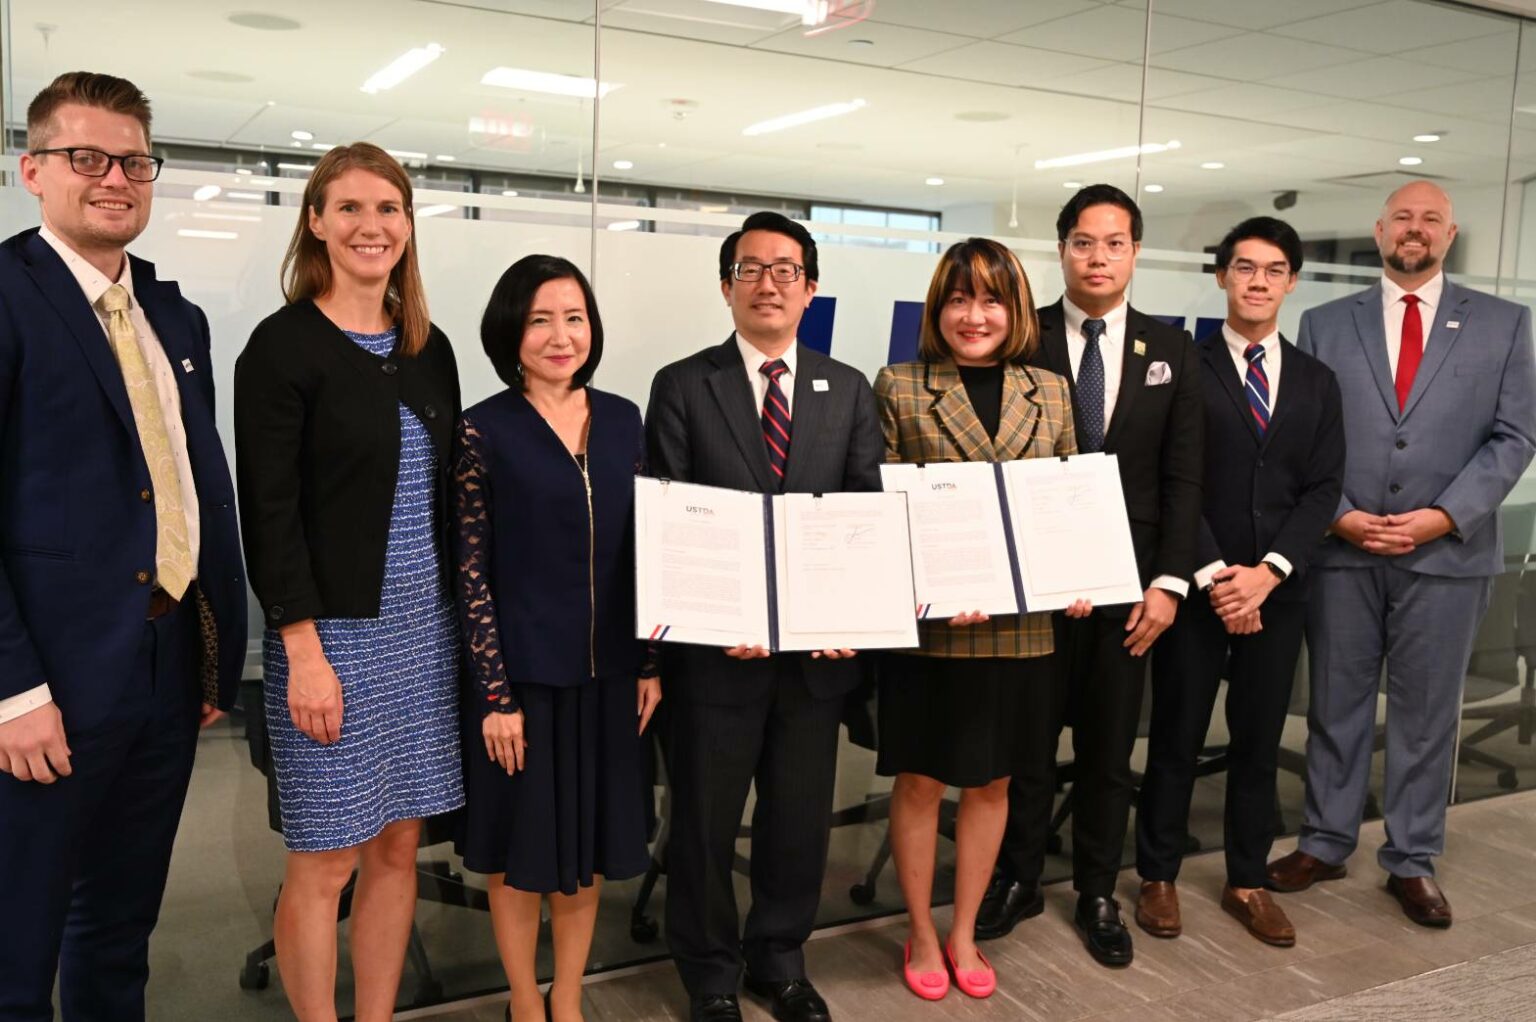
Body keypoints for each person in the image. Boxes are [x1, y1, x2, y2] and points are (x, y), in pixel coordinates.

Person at [0, 70, 248, 1022]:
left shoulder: (174, 316)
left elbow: (189, 483)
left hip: (166, 661)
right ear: (33, 171)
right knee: (17, 944)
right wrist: (14, 692)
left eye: (135, 162)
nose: (115, 178)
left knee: (120, 928)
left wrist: (209, 658)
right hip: (48, 688)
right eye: (87, 158)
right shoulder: (8, 297)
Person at [234, 142, 464, 1022]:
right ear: (317, 223)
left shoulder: (428, 348)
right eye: (351, 208)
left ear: (408, 226)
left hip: (424, 635)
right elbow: (270, 514)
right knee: (325, 860)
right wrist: (302, 653)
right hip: (331, 642)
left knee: (399, 848)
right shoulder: (283, 347)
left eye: (389, 209)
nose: (373, 226)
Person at [1267, 182, 1536, 927]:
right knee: (1335, 704)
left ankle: (1412, 858)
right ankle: (1325, 841)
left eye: (1431, 220)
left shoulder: (1505, 323)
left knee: (1426, 715)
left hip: (1447, 555)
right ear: (1380, 230)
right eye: (1403, 219)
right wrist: (1342, 517)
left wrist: (1442, 517)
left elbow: (1516, 436)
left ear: (1449, 234)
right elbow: (1303, 434)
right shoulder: (1324, 323)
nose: (1415, 230)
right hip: (1344, 550)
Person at [645, 211, 883, 1022]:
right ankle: (710, 974)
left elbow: (860, 513)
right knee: (704, 826)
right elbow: (671, 521)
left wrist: (848, 615)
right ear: (726, 287)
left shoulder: (847, 388)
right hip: (718, 659)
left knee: (796, 822)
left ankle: (779, 961)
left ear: (811, 289)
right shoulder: (684, 384)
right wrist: (719, 619)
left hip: (813, 666)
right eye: (751, 269)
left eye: (787, 270)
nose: (769, 284)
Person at [978, 183, 1204, 968]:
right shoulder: (1021, 335)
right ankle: (1018, 878)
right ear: (1062, 250)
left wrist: (1170, 583)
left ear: (1135, 251)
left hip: (1128, 591)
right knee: (1028, 749)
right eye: (1083, 242)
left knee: (1109, 755)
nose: (1097, 257)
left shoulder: (1172, 350)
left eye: (1114, 243)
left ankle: (1099, 890)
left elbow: (1184, 478)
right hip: (1035, 587)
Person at [873, 238, 1087, 1001]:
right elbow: (880, 509)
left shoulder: (1050, 391)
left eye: (992, 299)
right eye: (959, 299)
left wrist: (1080, 574)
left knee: (995, 782)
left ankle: (964, 930)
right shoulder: (900, 385)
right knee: (922, 780)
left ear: (1015, 309)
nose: (975, 315)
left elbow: (1069, 502)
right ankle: (921, 930)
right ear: (938, 309)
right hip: (934, 630)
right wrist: (929, 583)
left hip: (1022, 627)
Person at [453, 254, 661, 1022]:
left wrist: (649, 663)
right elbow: (469, 571)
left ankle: (568, 995)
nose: (560, 335)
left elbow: (646, 550)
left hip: (611, 679)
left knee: (589, 851)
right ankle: (522, 998)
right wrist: (495, 696)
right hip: (524, 685)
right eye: (540, 319)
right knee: (521, 853)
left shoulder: (624, 419)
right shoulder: (483, 429)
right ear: (511, 331)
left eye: (574, 317)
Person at [1134, 217, 1344, 947]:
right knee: (1177, 735)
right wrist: (1220, 578)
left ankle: (1247, 880)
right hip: (1198, 588)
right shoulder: (1183, 367)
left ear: (1291, 283)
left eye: (1274, 270)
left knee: (1258, 741)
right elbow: (1169, 478)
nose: (1258, 281)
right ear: (1222, 275)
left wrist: (1269, 574)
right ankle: (1157, 875)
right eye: (1245, 267)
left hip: (1277, 593)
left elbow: (1323, 488)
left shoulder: (1318, 380)